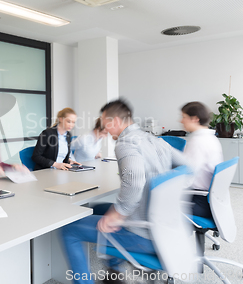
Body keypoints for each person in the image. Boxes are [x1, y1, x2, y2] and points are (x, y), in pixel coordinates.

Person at [62, 100, 187, 284]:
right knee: (98, 209)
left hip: (143, 233)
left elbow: (134, 184)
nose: (104, 128)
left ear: (114, 122)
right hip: (167, 226)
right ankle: (114, 273)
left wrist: (118, 215)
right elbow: (187, 166)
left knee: (69, 229)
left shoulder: (125, 144)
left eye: (105, 122)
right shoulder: (154, 139)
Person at [180, 101, 223, 219]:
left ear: (195, 119)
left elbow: (188, 176)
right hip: (212, 200)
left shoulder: (197, 142)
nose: (181, 121)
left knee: (156, 202)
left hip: (199, 201)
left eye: (184, 117)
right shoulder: (210, 138)